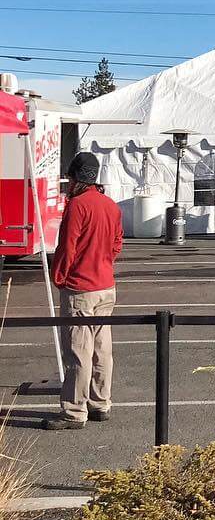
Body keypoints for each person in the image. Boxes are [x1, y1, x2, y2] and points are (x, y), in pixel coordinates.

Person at [41, 152, 124, 430]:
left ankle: (75, 411)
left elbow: (67, 247)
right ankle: (101, 403)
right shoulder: (110, 205)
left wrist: (59, 277)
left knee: (78, 351)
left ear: (76, 178)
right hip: (105, 284)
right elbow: (116, 244)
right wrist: (104, 262)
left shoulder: (77, 205)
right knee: (102, 348)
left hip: (81, 286)